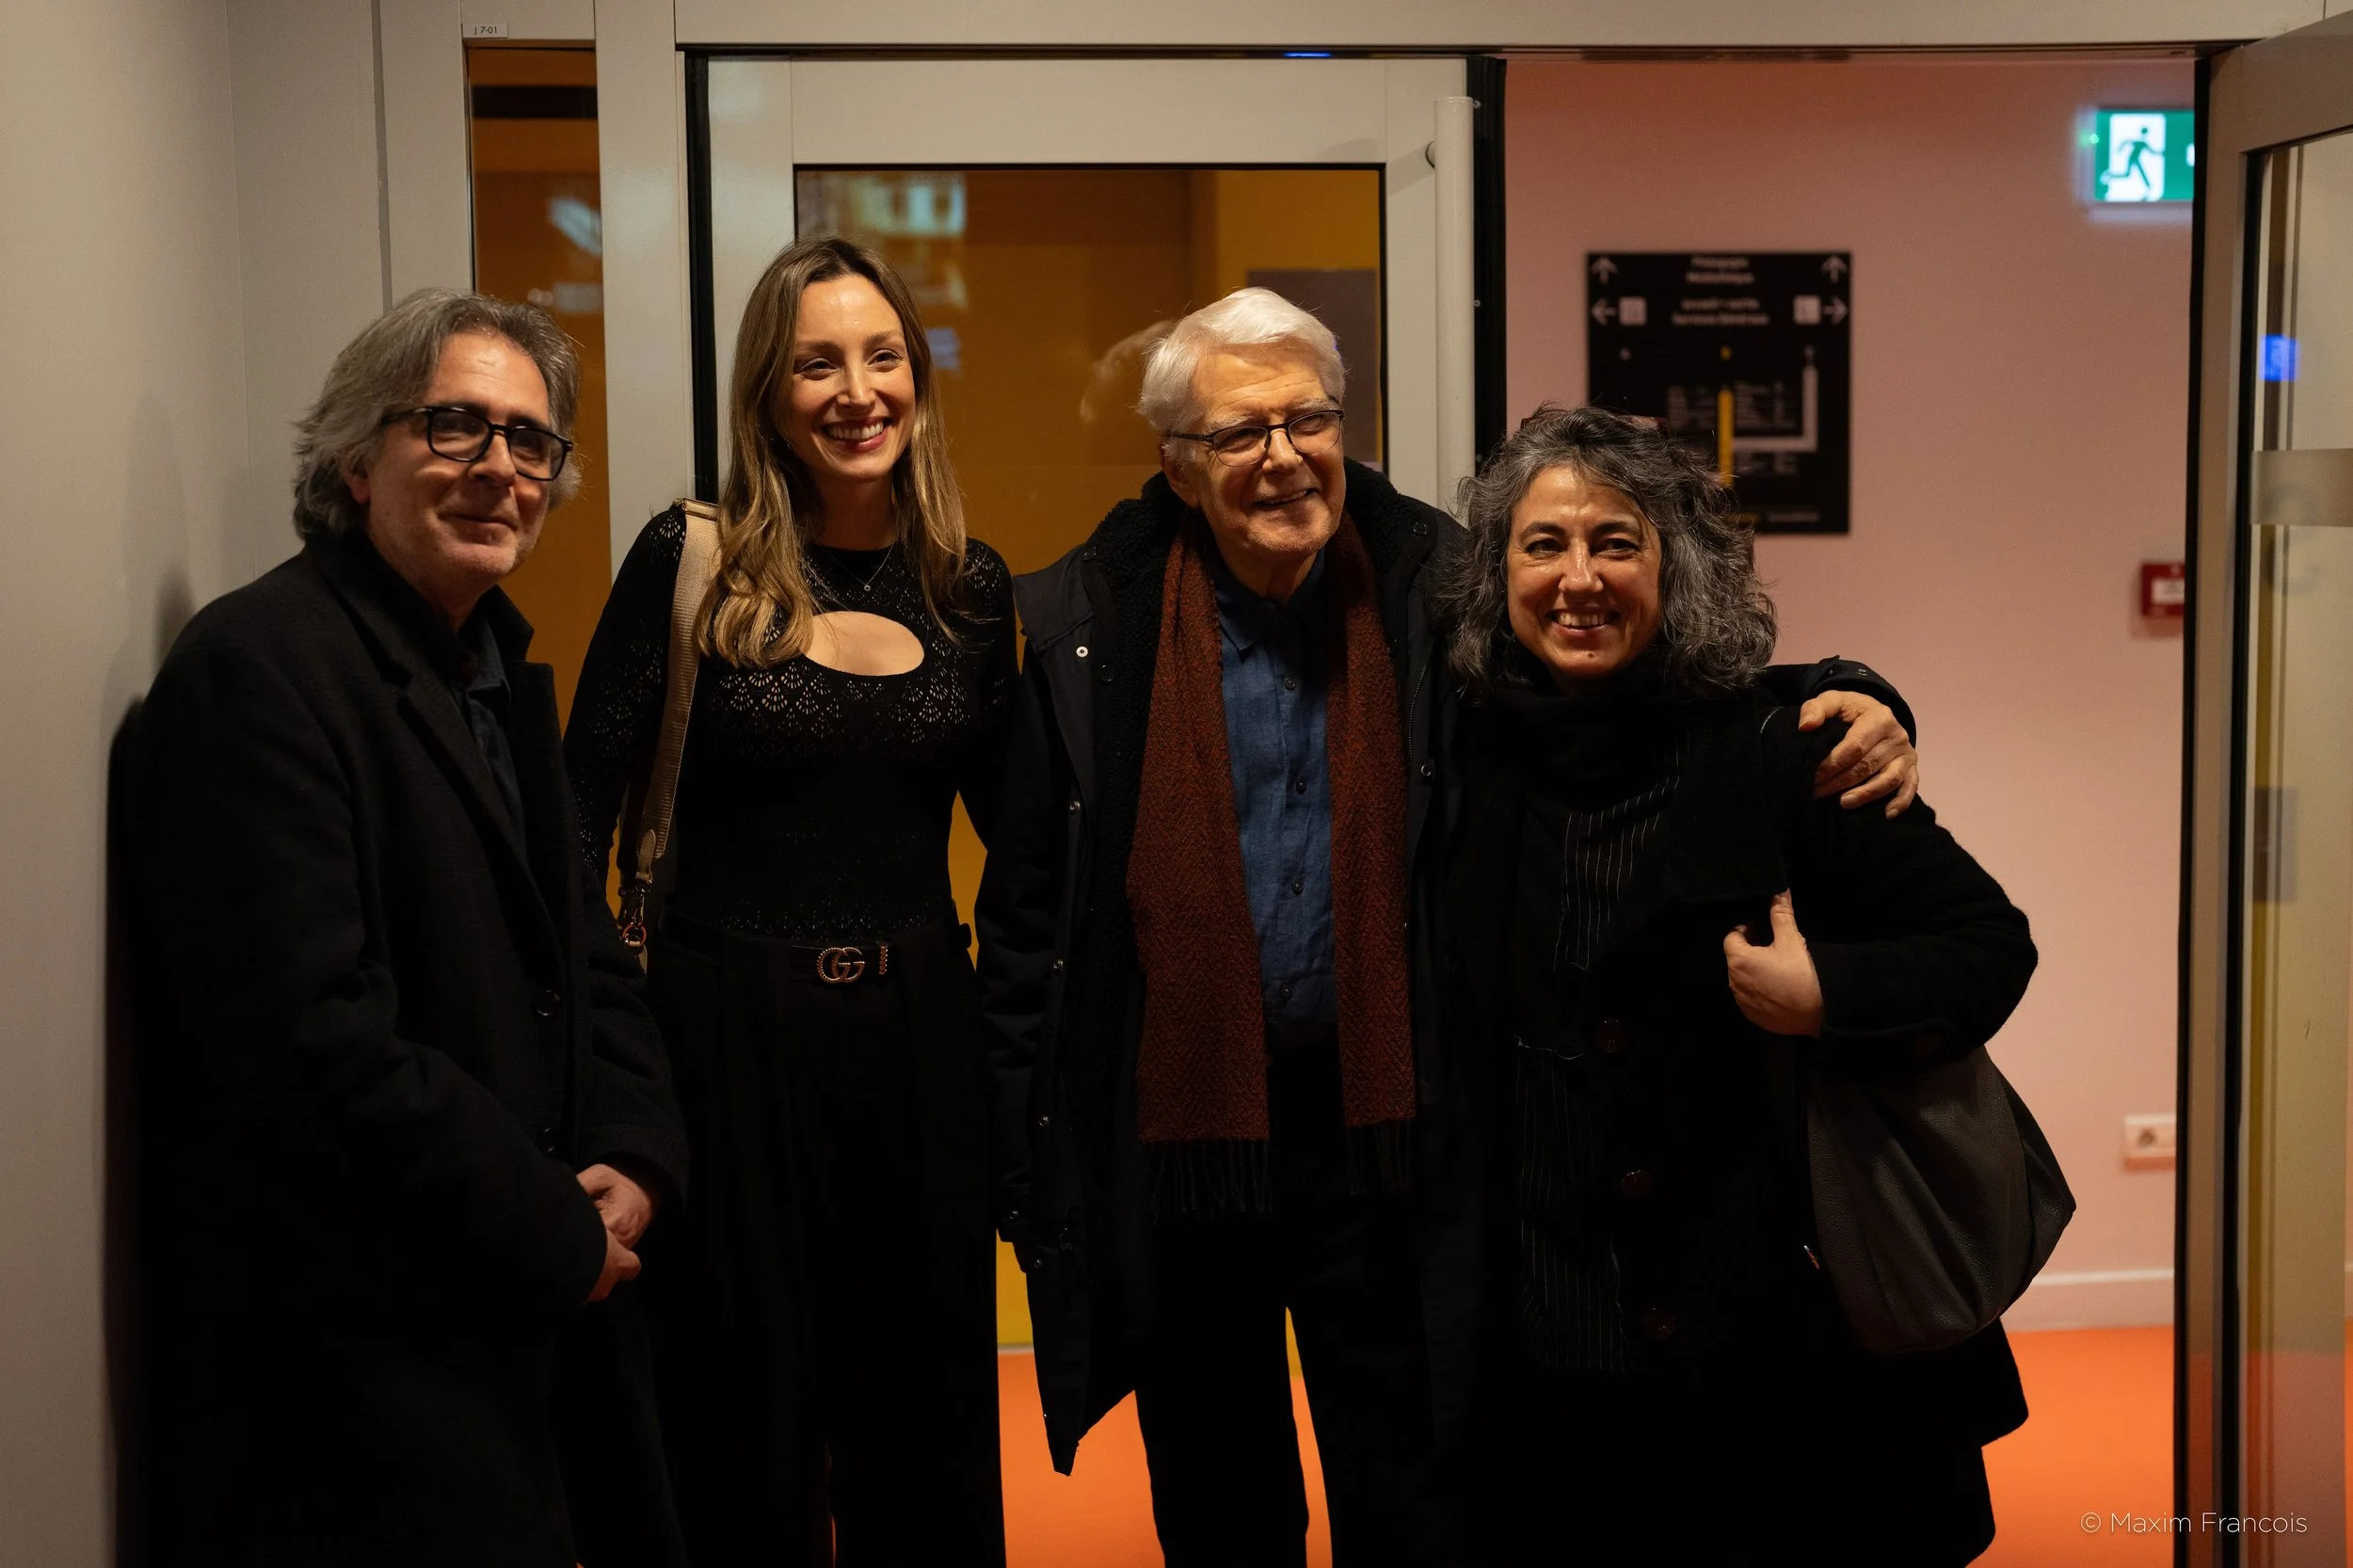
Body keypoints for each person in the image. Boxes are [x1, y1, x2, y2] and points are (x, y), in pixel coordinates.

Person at [973, 288, 1922, 1566]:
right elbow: (1031, 920)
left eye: (1307, 417)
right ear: (1178, 463)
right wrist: (1026, 1158)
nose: (1281, 456)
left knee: (1412, 1480)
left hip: (1392, 1129)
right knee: (1217, 1488)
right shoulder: (1087, 626)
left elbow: (1629, 675)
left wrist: (1842, 689)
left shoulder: (1435, 586)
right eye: (1240, 432)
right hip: (1180, 1137)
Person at [125, 289, 688, 1567]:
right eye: (456, 427)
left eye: (531, 442)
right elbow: (313, 1044)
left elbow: (586, 962)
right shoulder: (258, 670)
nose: (500, 469)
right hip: (357, 1378)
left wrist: (641, 1153)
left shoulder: (489, 661)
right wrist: (554, 1226)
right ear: (353, 456)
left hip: (507, 1336)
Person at [1431, 405, 2036, 1565]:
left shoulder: (1787, 750)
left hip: (1778, 1346)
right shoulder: (1467, 760)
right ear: (1493, 573)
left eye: (1616, 542)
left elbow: (1987, 943)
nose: (1578, 580)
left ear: (1678, 566)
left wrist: (1832, 997)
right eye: (1541, 546)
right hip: (1550, 1342)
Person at [564, 235, 1016, 1564]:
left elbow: (1032, 835)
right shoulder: (690, 561)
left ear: (920, 386)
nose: (856, 388)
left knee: (923, 1418)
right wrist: (603, 1069)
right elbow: (570, 826)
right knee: (739, 1421)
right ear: (767, 392)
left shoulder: (967, 586)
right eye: (817, 361)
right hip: (723, 1036)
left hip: (920, 1035)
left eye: (884, 357)